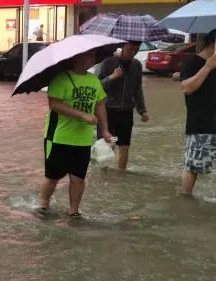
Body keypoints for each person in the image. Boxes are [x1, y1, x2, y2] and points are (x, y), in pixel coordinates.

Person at [39, 51, 112, 217]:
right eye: (88, 56)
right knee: (53, 177)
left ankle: (73, 211)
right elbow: (54, 104)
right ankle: (43, 205)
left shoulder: (94, 80)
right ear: (76, 58)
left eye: (94, 56)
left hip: (83, 139)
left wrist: (105, 130)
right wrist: (82, 115)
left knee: (78, 178)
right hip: (58, 136)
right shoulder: (61, 78)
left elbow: (100, 105)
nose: (92, 59)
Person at [97, 42, 149, 170]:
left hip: (126, 111)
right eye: (130, 49)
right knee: (108, 144)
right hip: (107, 111)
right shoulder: (108, 63)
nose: (133, 52)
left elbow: (137, 90)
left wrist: (142, 110)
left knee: (124, 146)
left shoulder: (136, 65)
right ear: (123, 47)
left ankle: (121, 177)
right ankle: (102, 175)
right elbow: (96, 87)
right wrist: (112, 77)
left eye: (136, 49)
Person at [179, 29, 216, 195]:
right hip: (201, 125)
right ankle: (186, 200)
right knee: (193, 167)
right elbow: (186, 88)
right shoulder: (193, 63)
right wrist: (208, 66)